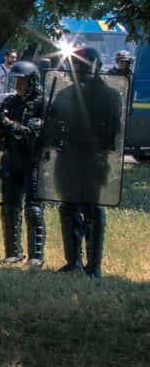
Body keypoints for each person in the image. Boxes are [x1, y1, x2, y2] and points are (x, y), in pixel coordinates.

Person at [46, 45, 122, 278]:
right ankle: (73, 262)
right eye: (76, 65)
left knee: (92, 208)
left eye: (82, 65)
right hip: (68, 157)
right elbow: (53, 125)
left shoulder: (110, 95)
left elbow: (114, 132)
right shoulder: (65, 94)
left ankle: (94, 265)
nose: (78, 70)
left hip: (93, 158)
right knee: (68, 207)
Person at [0, 59, 47, 266]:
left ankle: (36, 255)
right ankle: (13, 252)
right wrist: (9, 127)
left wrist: (13, 127)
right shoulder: (9, 103)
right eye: (16, 81)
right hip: (11, 159)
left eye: (22, 81)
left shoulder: (41, 104)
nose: (18, 86)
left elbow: (35, 136)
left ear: (32, 81)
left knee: (34, 209)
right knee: (9, 207)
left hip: (32, 162)